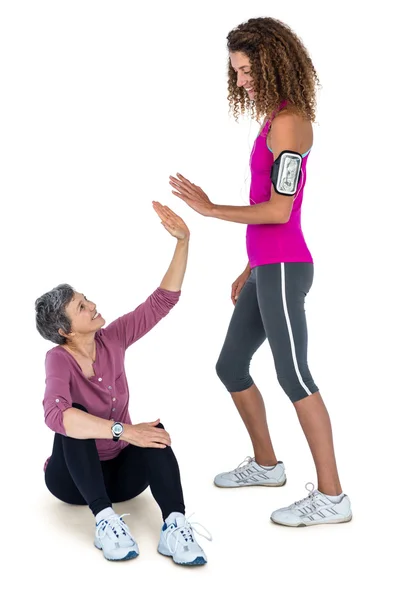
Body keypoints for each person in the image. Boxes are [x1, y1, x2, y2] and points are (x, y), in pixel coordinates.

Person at [169, 17, 352, 527]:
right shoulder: (273, 120)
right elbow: (268, 209)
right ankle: (268, 466)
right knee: (231, 365)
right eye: (237, 72)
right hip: (266, 267)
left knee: (295, 375)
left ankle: (333, 497)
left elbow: (278, 211)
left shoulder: (291, 123)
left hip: (286, 267)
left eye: (247, 70)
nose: (242, 81)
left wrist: (209, 210)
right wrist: (249, 266)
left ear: (273, 62)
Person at [35, 203, 211, 563]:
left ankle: (175, 527)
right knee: (73, 418)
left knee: (154, 432)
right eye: (82, 307)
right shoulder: (59, 358)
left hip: (123, 480)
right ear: (64, 331)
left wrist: (183, 241)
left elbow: (161, 302)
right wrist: (123, 430)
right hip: (72, 482)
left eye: (87, 299)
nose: (93, 305)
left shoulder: (112, 338)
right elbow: (55, 416)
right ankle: (105, 523)